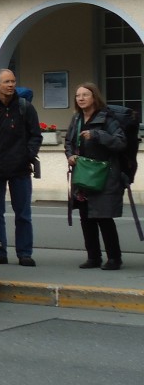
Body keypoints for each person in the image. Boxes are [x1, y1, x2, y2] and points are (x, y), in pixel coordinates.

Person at [64, 81, 126, 270]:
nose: (81, 98)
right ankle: (93, 257)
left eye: (85, 95)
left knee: (104, 218)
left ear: (94, 97)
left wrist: (97, 135)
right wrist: (70, 155)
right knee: (86, 218)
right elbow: (68, 142)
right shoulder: (76, 119)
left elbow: (120, 142)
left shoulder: (107, 118)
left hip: (104, 175)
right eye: (78, 95)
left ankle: (114, 258)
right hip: (83, 176)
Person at [0, 68, 43, 265]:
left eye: (13, 81)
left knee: (23, 214)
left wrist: (27, 155)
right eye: (7, 82)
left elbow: (36, 135)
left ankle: (25, 253)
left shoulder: (24, 107)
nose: (11, 85)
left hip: (20, 169)